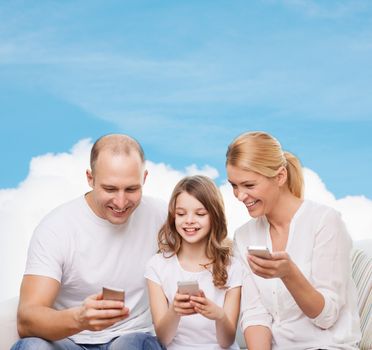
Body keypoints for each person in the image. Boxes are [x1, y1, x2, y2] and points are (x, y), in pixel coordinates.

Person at [12, 134, 167, 350]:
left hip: (132, 337)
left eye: (131, 189)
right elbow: (27, 319)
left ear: (144, 178)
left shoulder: (162, 216)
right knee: (32, 347)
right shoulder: (56, 228)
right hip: (69, 341)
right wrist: (79, 319)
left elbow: (211, 249)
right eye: (110, 189)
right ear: (90, 178)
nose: (121, 202)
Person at [226, 131, 361, 350]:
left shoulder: (325, 222)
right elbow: (255, 314)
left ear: (280, 176)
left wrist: (289, 274)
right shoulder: (244, 236)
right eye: (234, 185)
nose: (240, 196)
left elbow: (326, 317)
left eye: (249, 185)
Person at [145, 175, 243, 350]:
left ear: (215, 216)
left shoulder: (232, 266)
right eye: (181, 214)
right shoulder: (157, 265)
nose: (189, 220)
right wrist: (174, 310)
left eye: (200, 214)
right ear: (173, 216)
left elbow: (226, 341)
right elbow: (163, 339)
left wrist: (219, 315)